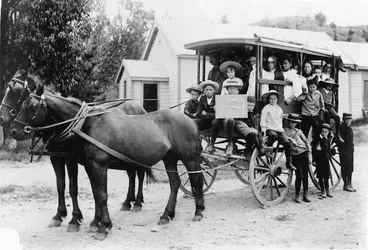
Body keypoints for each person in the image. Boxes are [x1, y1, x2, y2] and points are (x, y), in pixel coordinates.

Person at [260, 90, 295, 170]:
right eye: (271, 99)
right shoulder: (266, 109)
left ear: (277, 99)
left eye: (274, 98)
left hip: (278, 129)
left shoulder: (279, 109)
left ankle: (289, 163)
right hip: (270, 128)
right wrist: (263, 130)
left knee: (287, 143)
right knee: (273, 136)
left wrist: (281, 130)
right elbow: (263, 120)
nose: (273, 100)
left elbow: (280, 120)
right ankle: (269, 149)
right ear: (269, 100)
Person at [284, 113, 311, 203]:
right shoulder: (285, 131)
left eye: (294, 122)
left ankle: (305, 195)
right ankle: (297, 195)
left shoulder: (298, 131)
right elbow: (284, 139)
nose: (292, 124)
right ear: (288, 122)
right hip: (295, 156)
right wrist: (291, 139)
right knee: (299, 175)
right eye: (291, 122)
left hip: (304, 153)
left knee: (305, 176)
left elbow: (306, 141)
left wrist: (309, 153)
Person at [312, 123, 334, 199]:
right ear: (320, 132)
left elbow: (328, 150)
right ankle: (323, 191)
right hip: (319, 160)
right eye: (322, 132)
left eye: (326, 132)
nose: (324, 133)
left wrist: (331, 152)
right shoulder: (318, 140)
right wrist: (314, 160)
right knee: (321, 177)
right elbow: (314, 151)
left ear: (328, 132)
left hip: (326, 161)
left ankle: (328, 190)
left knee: (326, 176)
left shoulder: (327, 140)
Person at [318, 78, 344, 143]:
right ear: (325, 84)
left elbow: (333, 103)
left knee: (337, 117)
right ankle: (327, 131)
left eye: (331, 85)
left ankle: (337, 134)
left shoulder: (331, 93)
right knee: (326, 114)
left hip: (329, 107)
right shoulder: (319, 90)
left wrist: (331, 107)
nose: (329, 86)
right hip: (321, 106)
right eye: (328, 84)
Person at [339, 113, 356, 192]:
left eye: (349, 119)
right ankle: (346, 184)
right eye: (346, 119)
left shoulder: (350, 128)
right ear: (343, 120)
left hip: (350, 151)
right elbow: (338, 139)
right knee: (345, 167)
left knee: (350, 167)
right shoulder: (342, 128)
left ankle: (350, 182)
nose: (348, 121)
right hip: (344, 151)